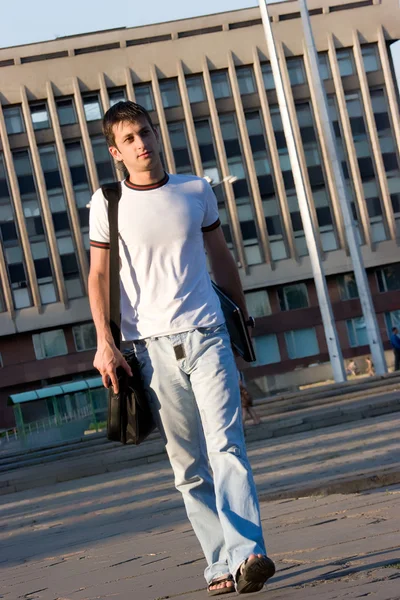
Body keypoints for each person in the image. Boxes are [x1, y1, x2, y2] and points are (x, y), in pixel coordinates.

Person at [88, 101, 275, 596]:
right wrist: (106, 345)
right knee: (188, 464)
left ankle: (248, 554)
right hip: (150, 349)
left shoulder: (195, 190)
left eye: (146, 132)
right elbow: (99, 276)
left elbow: (221, 257)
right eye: (129, 139)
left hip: (208, 334)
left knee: (227, 445)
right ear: (116, 151)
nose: (141, 143)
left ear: (157, 133)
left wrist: (240, 319)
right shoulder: (108, 204)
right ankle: (218, 563)